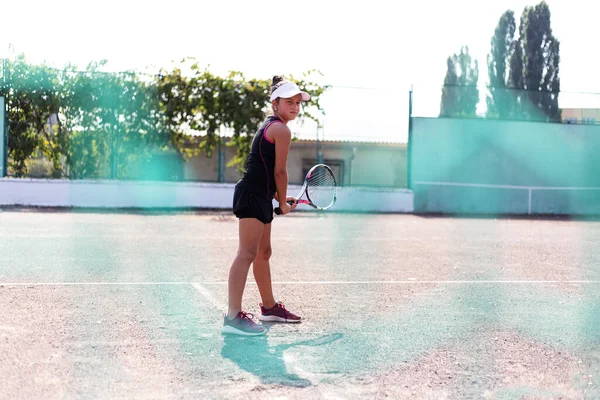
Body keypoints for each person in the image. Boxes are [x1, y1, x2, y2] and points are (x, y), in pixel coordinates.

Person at [222, 76, 310, 336]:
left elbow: (267, 171)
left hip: (260, 194)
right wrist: (281, 203)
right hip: (251, 194)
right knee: (247, 253)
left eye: (298, 103)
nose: (295, 107)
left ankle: (269, 308)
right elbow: (280, 172)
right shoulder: (281, 130)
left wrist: (278, 197)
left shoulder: (272, 125)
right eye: (289, 102)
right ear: (275, 103)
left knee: (263, 252)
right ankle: (232, 317)